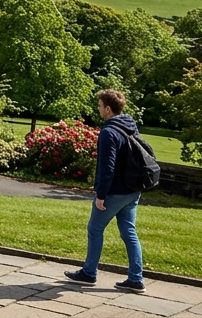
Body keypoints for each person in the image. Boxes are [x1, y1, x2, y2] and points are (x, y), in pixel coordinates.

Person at [65, 89, 147, 293]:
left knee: (95, 229)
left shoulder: (109, 132)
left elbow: (107, 167)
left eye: (100, 106)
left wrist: (101, 195)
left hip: (115, 192)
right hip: (132, 190)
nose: (98, 109)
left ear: (108, 109)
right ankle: (136, 279)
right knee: (129, 232)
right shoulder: (130, 126)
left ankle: (89, 273)